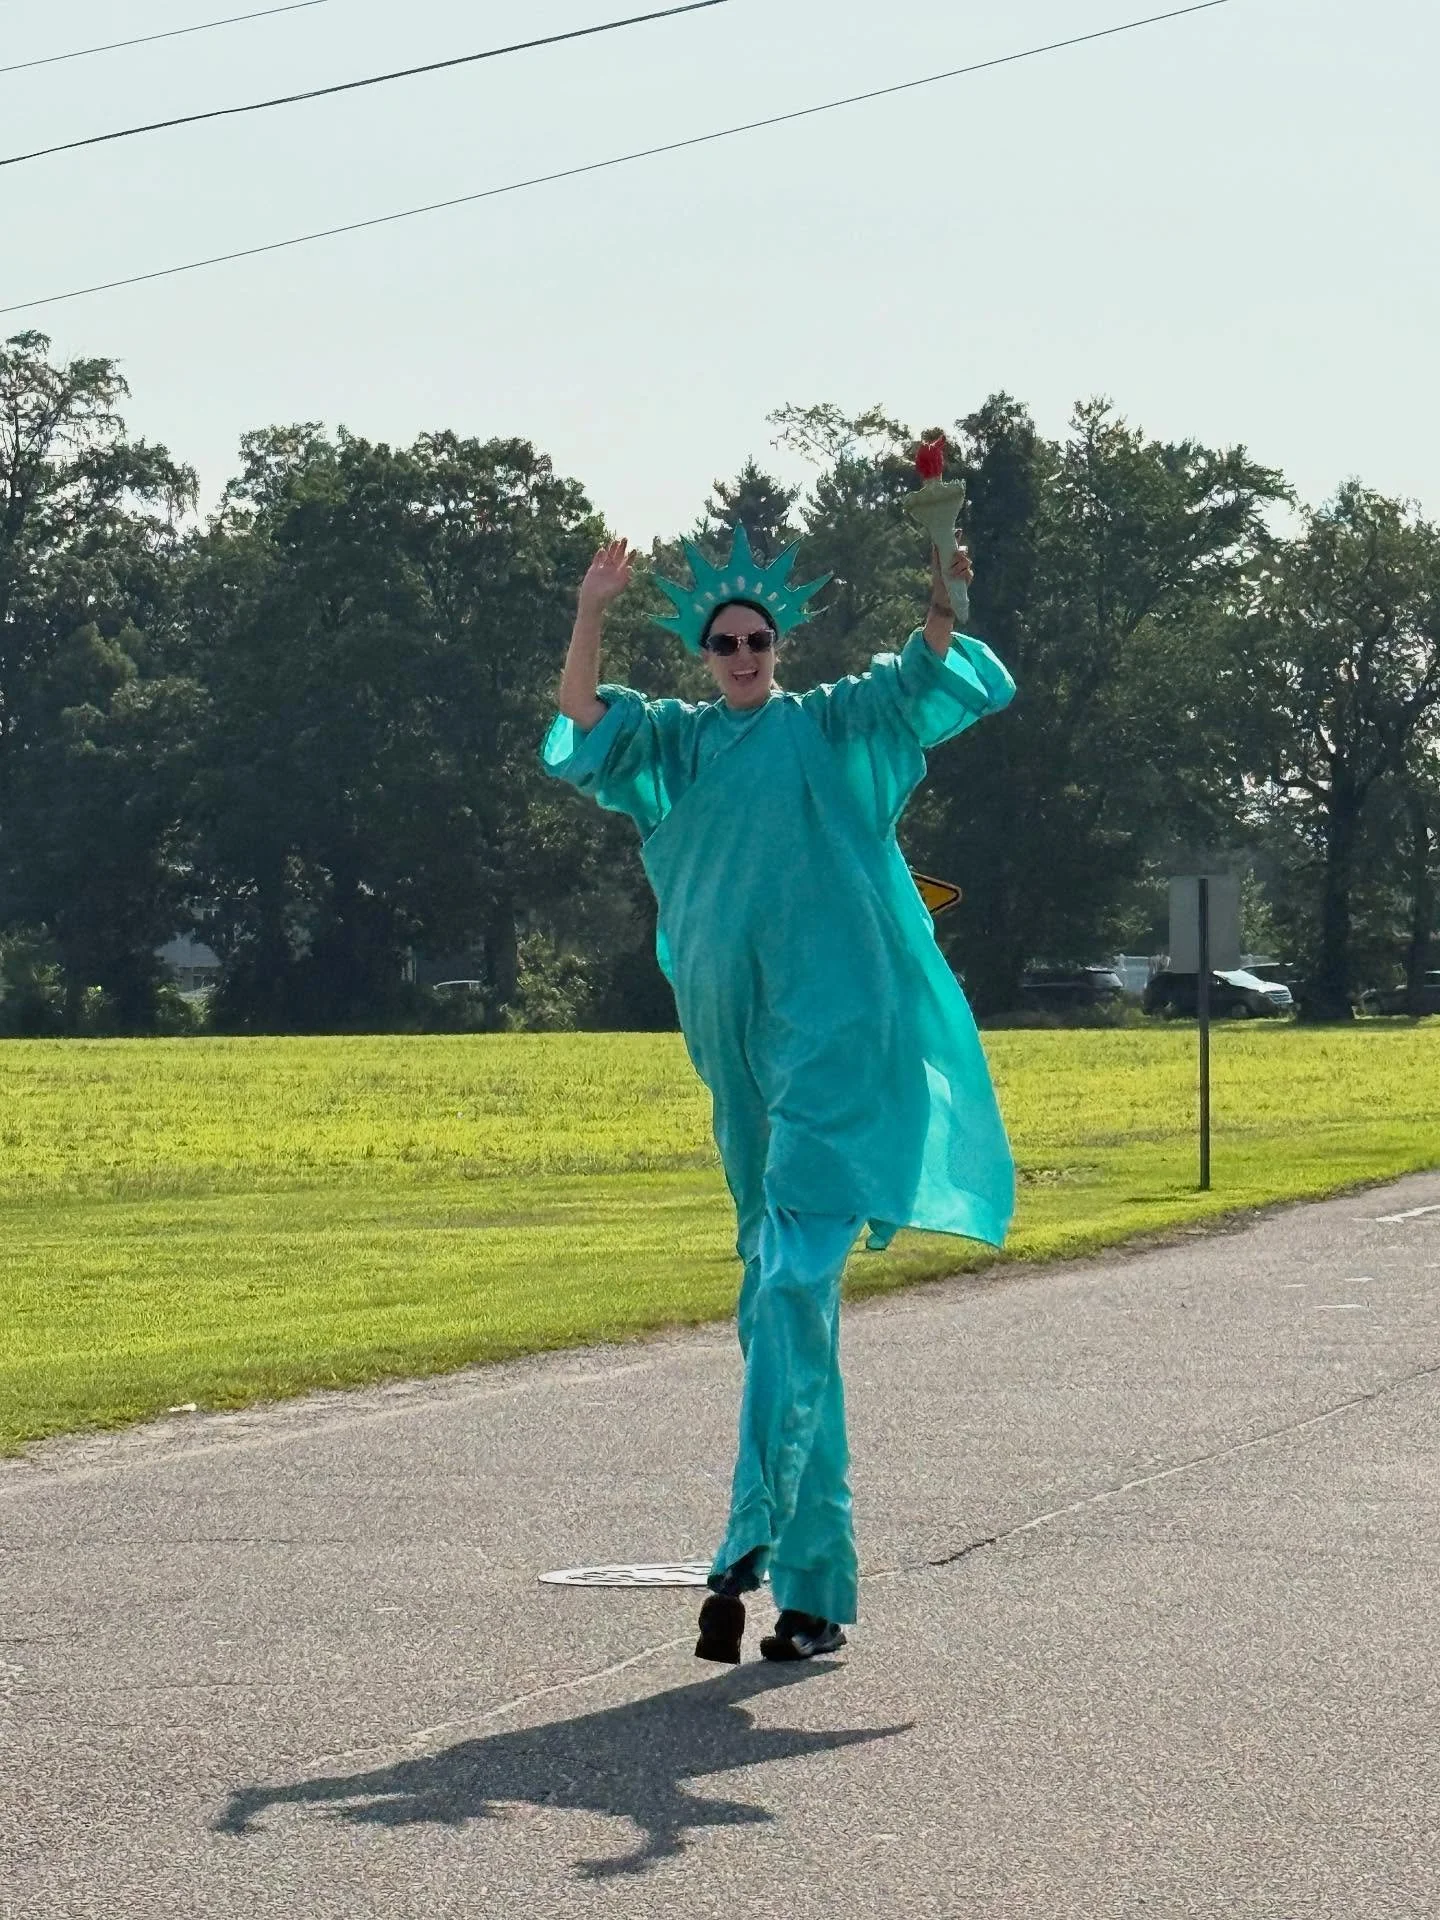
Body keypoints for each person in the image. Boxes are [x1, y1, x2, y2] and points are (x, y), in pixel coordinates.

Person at [541, 523, 1016, 1663]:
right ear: (704, 653)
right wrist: (591, 610)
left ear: (779, 645)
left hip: (838, 1043)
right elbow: (579, 725)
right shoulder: (682, 747)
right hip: (738, 1057)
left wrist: (945, 589)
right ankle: (813, 1590)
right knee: (779, 1308)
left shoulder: (831, 724)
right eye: (725, 640)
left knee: (796, 1277)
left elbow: (923, 680)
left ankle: (748, 1532)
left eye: (758, 638)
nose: (744, 652)